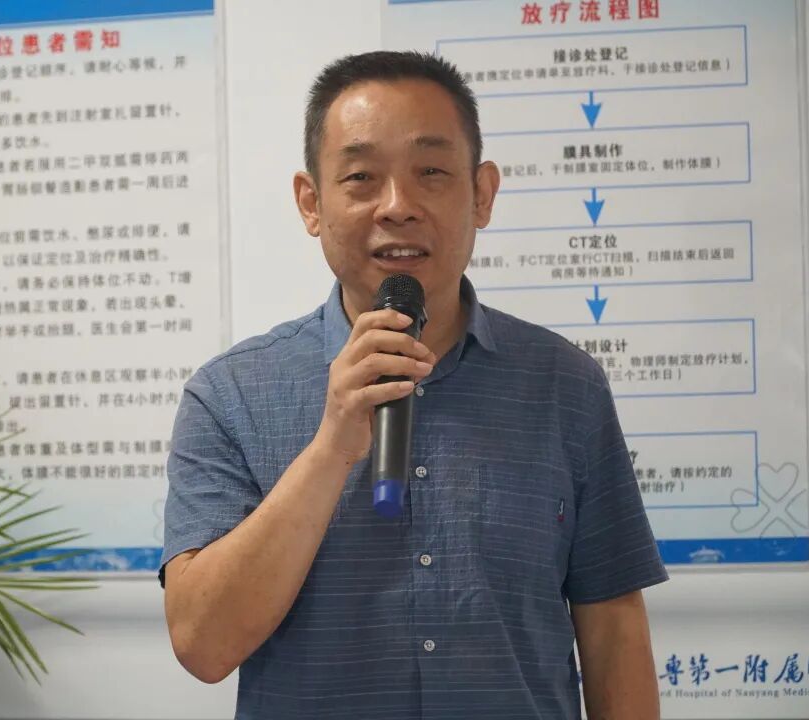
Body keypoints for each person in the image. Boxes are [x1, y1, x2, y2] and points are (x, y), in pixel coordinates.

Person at [159, 50, 668, 719]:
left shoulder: (565, 385)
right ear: (311, 203)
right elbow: (203, 645)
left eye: (431, 172)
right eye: (361, 177)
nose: (398, 206)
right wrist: (332, 447)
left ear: (481, 194)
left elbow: (613, 625)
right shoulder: (229, 395)